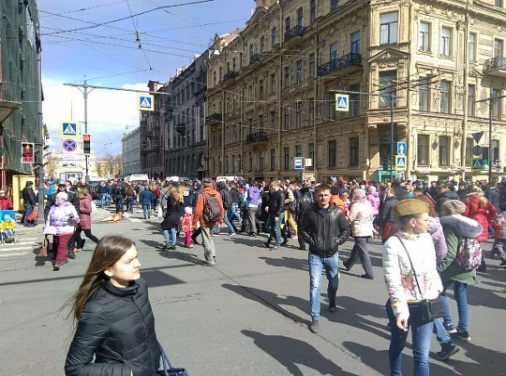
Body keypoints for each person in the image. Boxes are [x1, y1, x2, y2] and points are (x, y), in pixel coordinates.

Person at [64, 235, 161, 375]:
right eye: (129, 261)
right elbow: (75, 369)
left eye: (136, 257)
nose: (138, 264)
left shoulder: (140, 286)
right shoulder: (98, 309)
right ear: (108, 270)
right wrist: (130, 372)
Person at [383, 199, 443, 376]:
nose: (429, 222)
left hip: (425, 304)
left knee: (422, 355)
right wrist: (400, 311)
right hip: (403, 305)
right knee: (398, 345)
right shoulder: (392, 244)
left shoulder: (426, 239)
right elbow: (392, 281)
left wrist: (436, 289)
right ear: (413, 222)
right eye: (425, 219)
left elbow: (432, 268)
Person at [299, 183, 350, 334]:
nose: (323, 198)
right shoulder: (310, 212)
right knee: (314, 286)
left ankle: (332, 299)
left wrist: (337, 241)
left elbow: (346, 230)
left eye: (326, 195)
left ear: (330, 195)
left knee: (334, 283)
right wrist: (311, 241)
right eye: (320, 195)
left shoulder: (337, 212)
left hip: (332, 254)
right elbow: (302, 230)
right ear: (315, 196)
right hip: (315, 254)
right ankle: (315, 317)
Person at [438, 199, 483, 342]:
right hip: (469, 264)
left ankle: (449, 324)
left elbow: (451, 252)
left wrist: (438, 268)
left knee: (439, 292)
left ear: (447, 210)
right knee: (461, 296)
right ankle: (463, 329)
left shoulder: (451, 225)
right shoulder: (471, 224)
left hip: (454, 267)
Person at [343, 189, 375, 279]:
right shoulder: (368, 204)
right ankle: (349, 263)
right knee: (357, 248)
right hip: (368, 229)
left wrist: (344, 217)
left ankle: (369, 272)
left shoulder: (356, 205)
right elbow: (372, 215)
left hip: (359, 230)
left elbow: (351, 218)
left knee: (363, 251)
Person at [192, 177, 224, 266]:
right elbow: (221, 207)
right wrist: (221, 219)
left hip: (204, 220)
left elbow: (198, 210)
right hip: (214, 219)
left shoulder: (202, 195)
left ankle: (210, 260)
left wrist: (194, 222)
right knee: (210, 237)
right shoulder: (217, 194)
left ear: (203, 185)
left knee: (206, 240)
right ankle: (213, 255)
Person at [47, 192, 80, 271]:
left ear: (63, 199)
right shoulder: (53, 207)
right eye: (56, 198)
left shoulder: (70, 207)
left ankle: (58, 262)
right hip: (56, 229)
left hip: (67, 229)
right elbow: (48, 218)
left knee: (61, 245)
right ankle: (65, 258)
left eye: (58, 198)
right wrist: (46, 228)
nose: (56, 199)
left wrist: (73, 216)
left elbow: (77, 219)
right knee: (59, 244)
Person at [75, 187, 100, 252]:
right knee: (76, 233)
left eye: (79, 193)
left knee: (88, 234)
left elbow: (89, 210)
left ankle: (100, 243)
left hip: (84, 220)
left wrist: (79, 208)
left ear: (83, 193)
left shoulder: (85, 200)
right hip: (80, 219)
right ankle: (79, 247)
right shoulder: (80, 199)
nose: (78, 194)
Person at [263, 181, 285, 250]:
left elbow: (281, 205)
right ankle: (277, 239)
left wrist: (277, 215)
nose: (271, 188)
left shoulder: (281, 194)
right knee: (267, 226)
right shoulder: (274, 193)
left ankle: (277, 243)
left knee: (276, 229)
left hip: (278, 213)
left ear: (276, 186)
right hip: (272, 212)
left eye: (272, 186)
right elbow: (271, 202)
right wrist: (268, 206)